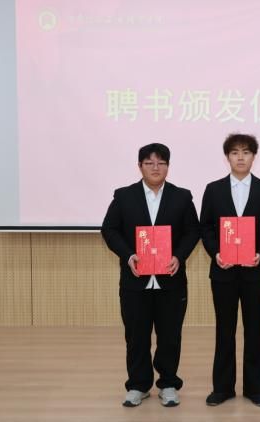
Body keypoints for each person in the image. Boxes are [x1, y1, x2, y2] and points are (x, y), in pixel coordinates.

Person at [101, 143, 200, 408]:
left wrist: (179, 256)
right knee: (136, 336)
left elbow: (193, 231)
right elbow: (109, 230)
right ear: (140, 166)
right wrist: (128, 255)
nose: (155, 168)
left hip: (171, 280)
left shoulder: (182, 197)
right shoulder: (124, 196)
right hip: (135, 280)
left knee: (170, 336)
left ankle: (168, 384)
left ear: (168, 166)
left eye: (161, 163)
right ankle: (138, 385)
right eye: (149, 163)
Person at [200, 133, 260, 407]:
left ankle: (254, 388)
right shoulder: (213, 189)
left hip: (255, 271)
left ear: (253, 157)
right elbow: (206, 227)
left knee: (254, 330)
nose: (240, 157)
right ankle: (222, 388)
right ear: (227, 157)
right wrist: (216, 253)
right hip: (223, 271)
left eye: (246, 152)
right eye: (235, 152)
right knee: (224, 330)